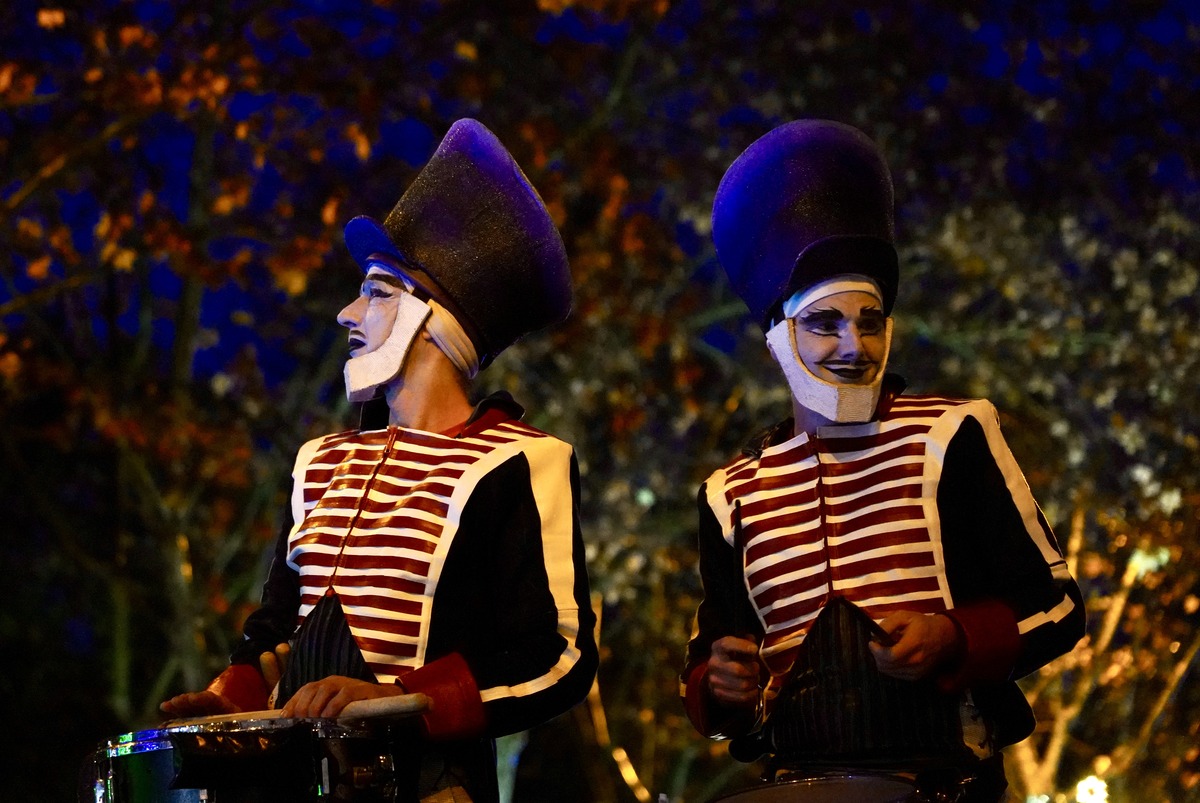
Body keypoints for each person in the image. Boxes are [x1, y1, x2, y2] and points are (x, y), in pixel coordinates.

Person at [162, 118, 599, 803]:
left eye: (376, 292)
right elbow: (278, 625)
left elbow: (556, 657)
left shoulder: (521, 462)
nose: (347, 312)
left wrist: (395, 698)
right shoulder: (320, 462)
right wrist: (231, 693)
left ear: (435, 320)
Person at [681, 120, 1085, 801]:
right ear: (779, 338)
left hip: (946, 782)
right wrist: (721, 681)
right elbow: (713, 666)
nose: (854, 345)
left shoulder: (954, 435)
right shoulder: (731, 494)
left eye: (869, 320)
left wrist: (954, 636)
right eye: (825, 323)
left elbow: (1059, 607)